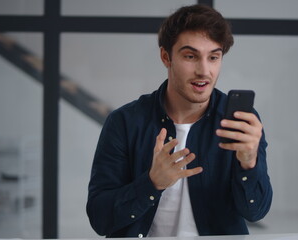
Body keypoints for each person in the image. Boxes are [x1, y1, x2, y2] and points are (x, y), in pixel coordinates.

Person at [86, 4, 272, 238]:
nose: (204, 71)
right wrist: (151, 183)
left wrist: (249, 162)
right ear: (166, 57)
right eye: (190, 56)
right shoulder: (124, 122)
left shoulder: (242, 123)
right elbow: (100, 219)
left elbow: (256, 212)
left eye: (213, 57)